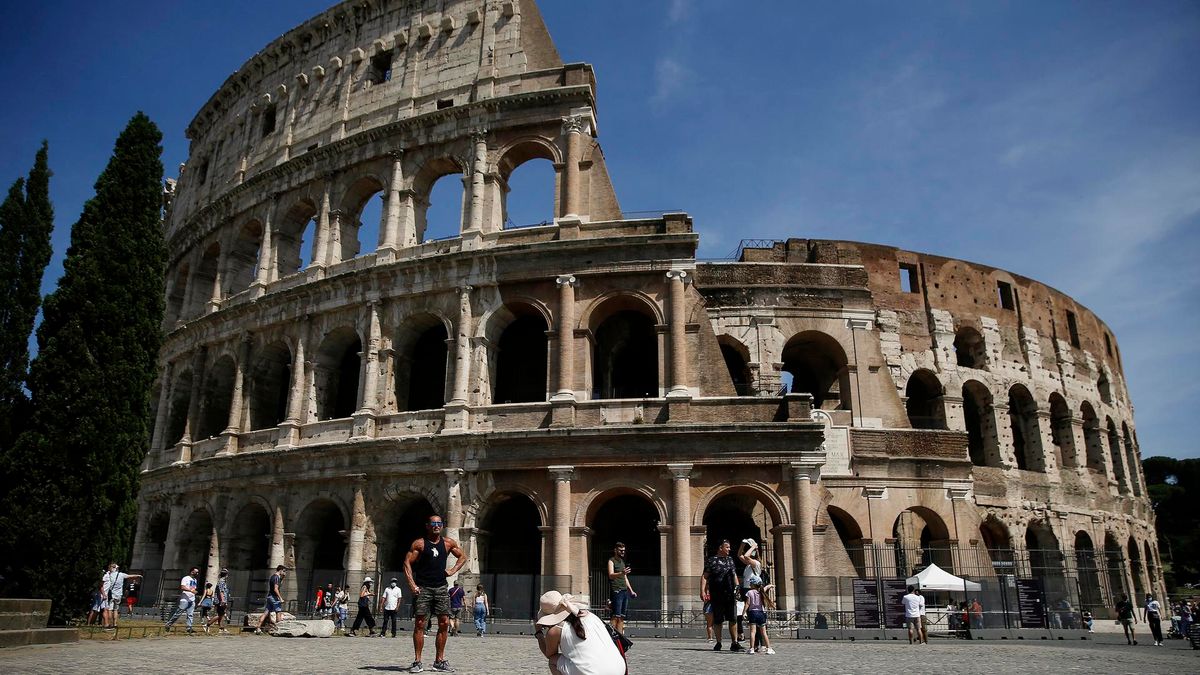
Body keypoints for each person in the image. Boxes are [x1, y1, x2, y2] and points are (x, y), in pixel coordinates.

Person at [403, 514, 467, 673]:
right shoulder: (420, 544)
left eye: (439, 523)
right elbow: (407, 563)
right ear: (427, 525)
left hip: (440, 588)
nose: (436, 525)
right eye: (433, 523)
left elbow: (463, 556)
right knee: (420, 624)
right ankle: (417, 661)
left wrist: (452, 570)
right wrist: (412, 585)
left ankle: (439, 660)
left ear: (442, 526)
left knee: (444, 623)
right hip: (424, 587)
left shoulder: (447, 543)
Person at [534, 590, 625, 675]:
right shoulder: (591, 616)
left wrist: (539, 633)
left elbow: (549, 654)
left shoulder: (555, 630)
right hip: (619, 668)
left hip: (592, 672)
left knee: (553, 662)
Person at [701, 539, 743, 652]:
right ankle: (718, 642)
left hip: (730, 594)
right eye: (727, 547)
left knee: (733, 618)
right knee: (718, 620)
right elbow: (705, 576)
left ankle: (734, 642)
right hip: (717, 594)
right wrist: (703, 591)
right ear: (721, 548)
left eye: (729, 547)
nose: (729, 549)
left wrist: (737, 587)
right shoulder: (711, 560)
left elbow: (734, 574)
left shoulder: (730, 560)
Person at [606, 542, 637, 634]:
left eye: (624, 550)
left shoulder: (622, 562)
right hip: (617, 590)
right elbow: (611, 575)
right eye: (621, 550)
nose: (623, 552)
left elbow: (625, 578)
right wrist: (621, 573)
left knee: (622, 616)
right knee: (616, 616)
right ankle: (610, 636)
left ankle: (620, 638)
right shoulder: (611, 561)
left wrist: (631, 591)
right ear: (615, 550)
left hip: (624, 591)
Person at [101, 563, 143, 630]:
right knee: (116, 610)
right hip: (119, 595)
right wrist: (138, 575)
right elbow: (130, 576)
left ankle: (109, 623)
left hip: (111, 594)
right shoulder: (121, 575)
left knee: (110, 609)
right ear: (117, 568)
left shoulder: (109, 575)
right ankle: (115, 624)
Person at [164, 567, 200, 634]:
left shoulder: (195, 580)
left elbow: (193, 588)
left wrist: (194, 593)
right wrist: (191, 591)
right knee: (178, 613)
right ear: (192, 572)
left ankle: (189, 628)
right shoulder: (186, 578)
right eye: (196, 572)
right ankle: (168, 625)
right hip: (185, 599)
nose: (197, 573)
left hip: (192, 599)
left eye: (198, 572)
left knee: (190, 614)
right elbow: (182, 587)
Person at [744, 581, 775, 654]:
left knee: (752, 632)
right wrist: (770, 585)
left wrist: (744, 612)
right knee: (764, 632)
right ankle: (769, 648)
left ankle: (751, 648)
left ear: (753, 585)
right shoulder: (761, 591)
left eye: (751, 583)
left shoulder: (749, 592)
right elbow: (766, 588)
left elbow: (747, 603)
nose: (750, 585)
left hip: (752, 613)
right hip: (761, 613)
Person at [256, 564, 287, 635]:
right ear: (281, 570)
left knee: (266, 612)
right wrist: (280, 598)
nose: (285, 573)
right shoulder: (276, 577)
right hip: (274, 597)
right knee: (278, 612)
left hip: (269, 596)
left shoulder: (273, 576)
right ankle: (279, 630)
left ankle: (258, 628)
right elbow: (276, 589)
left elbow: (278, 585)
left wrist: (283, 578)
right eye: (284, 571)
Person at [205, 569, 231, 634]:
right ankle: (208, 624)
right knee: (220, 615)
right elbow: (221, 591)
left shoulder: (222, 581)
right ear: (226, 575)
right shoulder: (221, 581)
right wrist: (223, 600)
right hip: (220, 600)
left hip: (220, 600)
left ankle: (221, 628)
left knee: (221, 615)